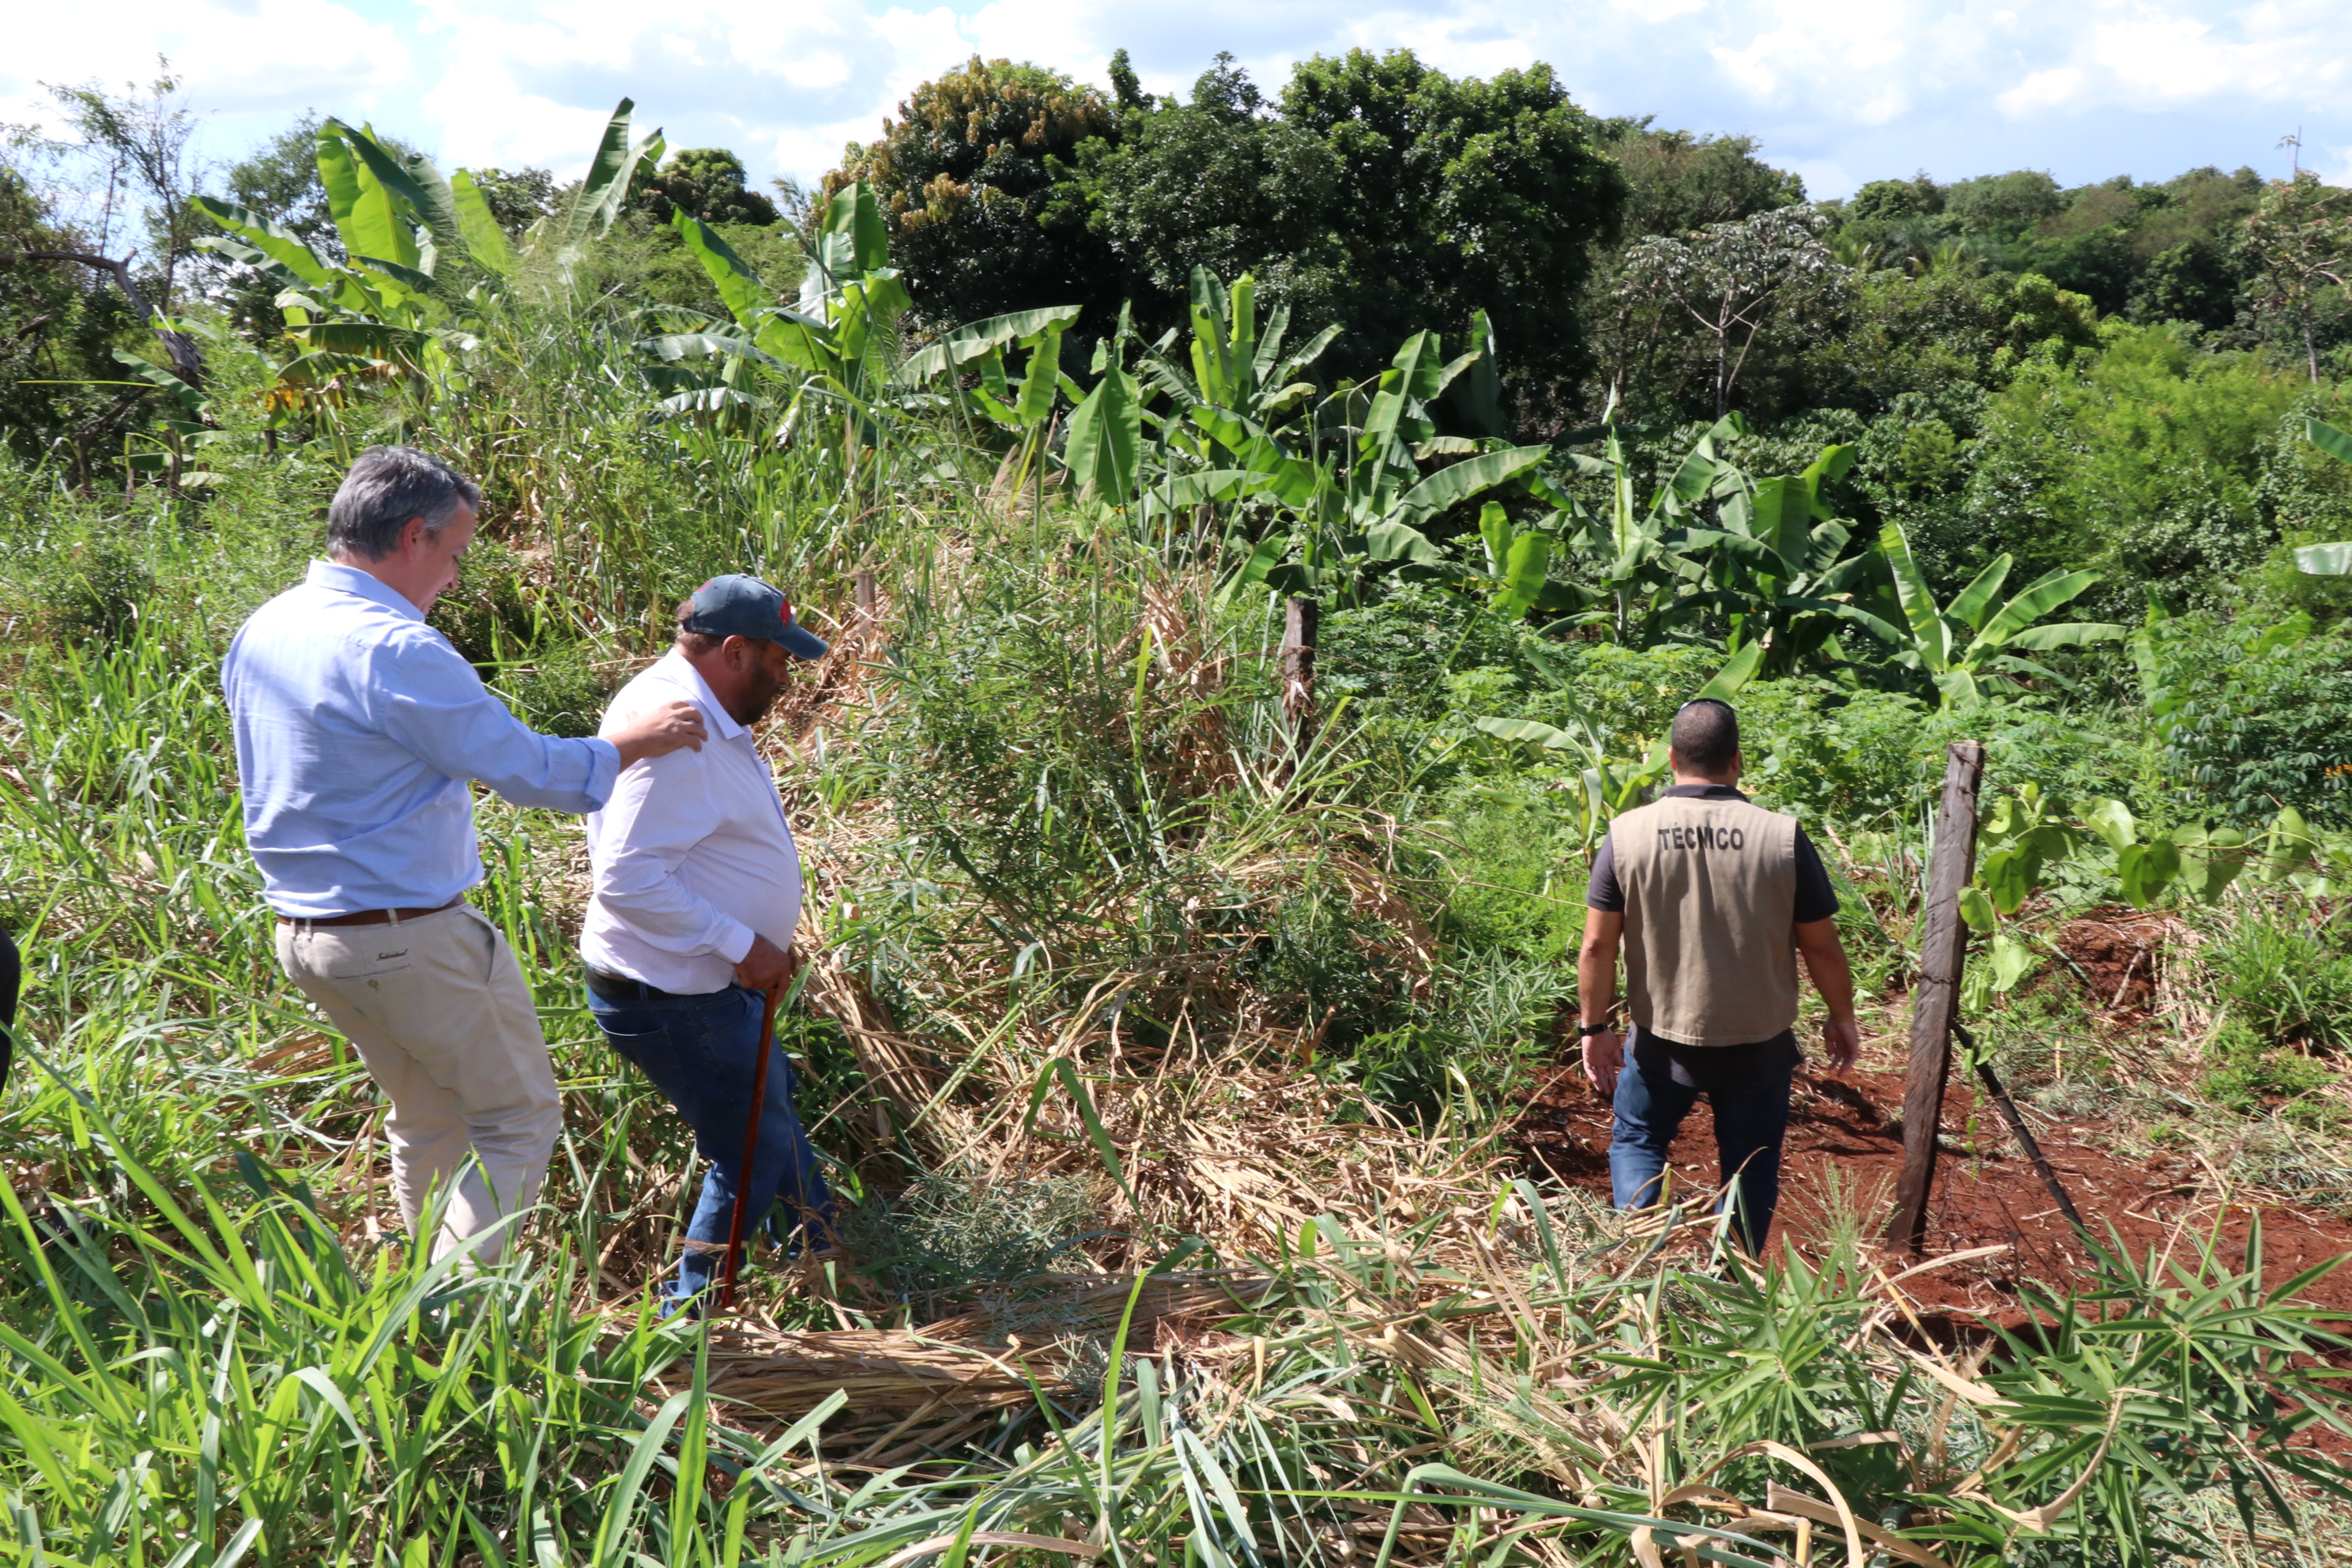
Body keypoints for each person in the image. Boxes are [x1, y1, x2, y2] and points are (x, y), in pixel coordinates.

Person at [224, 446, 707, 1263]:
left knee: (430, 1118)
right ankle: (459, 1311)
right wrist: (631, 742)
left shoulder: (268, 625)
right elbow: (530, 771)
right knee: (517, 1119)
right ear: (414, 536)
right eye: (454, 554)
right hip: (407, 938)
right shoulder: (393, 646)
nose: (453, 577)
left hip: (311, 937)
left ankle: (416, 1308)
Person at [580, 573, 838, 1310]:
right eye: (778, 660)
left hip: (704, 985)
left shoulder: (696, 709)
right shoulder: (680, 730)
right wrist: (743, 944)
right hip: (676, 994)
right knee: (749, 1149)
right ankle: (687, 1320)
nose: (785, 677)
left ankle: (825, 1257)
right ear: (733, 652)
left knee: (766, 1117)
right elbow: (626, 878)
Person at [1574, 697, 1860, 1253]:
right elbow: (1821, 945)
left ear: (1672, 759)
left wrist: (1594, 1028)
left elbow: (1596, 945)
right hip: (1758, 1042)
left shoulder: (1627, 834)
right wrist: (1841, 1016)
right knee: (1750, 1167)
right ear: (1736, 760)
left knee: (1638, 1141)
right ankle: (1732, 1284)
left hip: (1661, 1039)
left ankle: (1637, 1266)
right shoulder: (1782, 836)